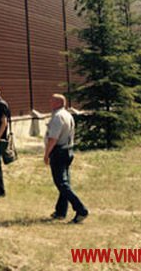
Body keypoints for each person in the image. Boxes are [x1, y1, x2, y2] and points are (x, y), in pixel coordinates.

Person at [44, 94, 89, 223]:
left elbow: (53, 138)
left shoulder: (58, 117)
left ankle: (81, 210)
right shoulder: (67, 114)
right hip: (68, 150)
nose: (49, 102)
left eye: (52, 100)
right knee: (64, 183)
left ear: (58, 103)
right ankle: (61, 211)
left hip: (59, 152)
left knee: (62, 184)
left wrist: (47, 154)